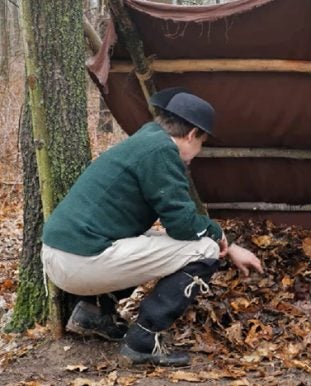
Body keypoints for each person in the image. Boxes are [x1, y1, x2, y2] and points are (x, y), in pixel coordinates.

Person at [41, 88, 263, 367]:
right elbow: (182, 225)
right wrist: (220, 237)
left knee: (150, 238)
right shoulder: (161, 152)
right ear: (192, 134)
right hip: (80, 262)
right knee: (204, 249)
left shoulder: (147, 139)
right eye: (202, 143)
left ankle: (95, 315)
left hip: (59, 255)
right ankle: (143, 341)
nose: (199, 151)